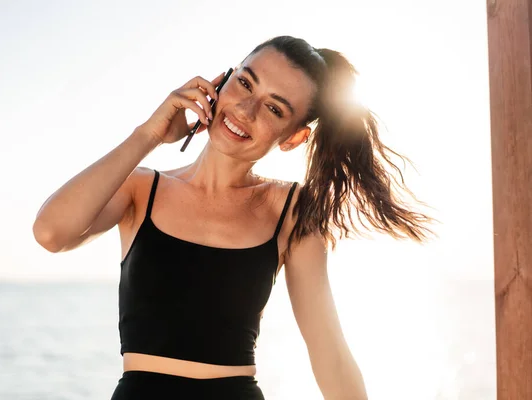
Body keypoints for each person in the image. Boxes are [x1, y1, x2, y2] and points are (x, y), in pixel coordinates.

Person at [33, 35, 435, 399]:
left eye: (274, 108)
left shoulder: (292, 211)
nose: (245, 109)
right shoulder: (140, 188)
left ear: (293, 137)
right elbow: (52, 232)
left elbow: (327, 350)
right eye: (245, 82)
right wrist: (149, 134)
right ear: (221, 80)